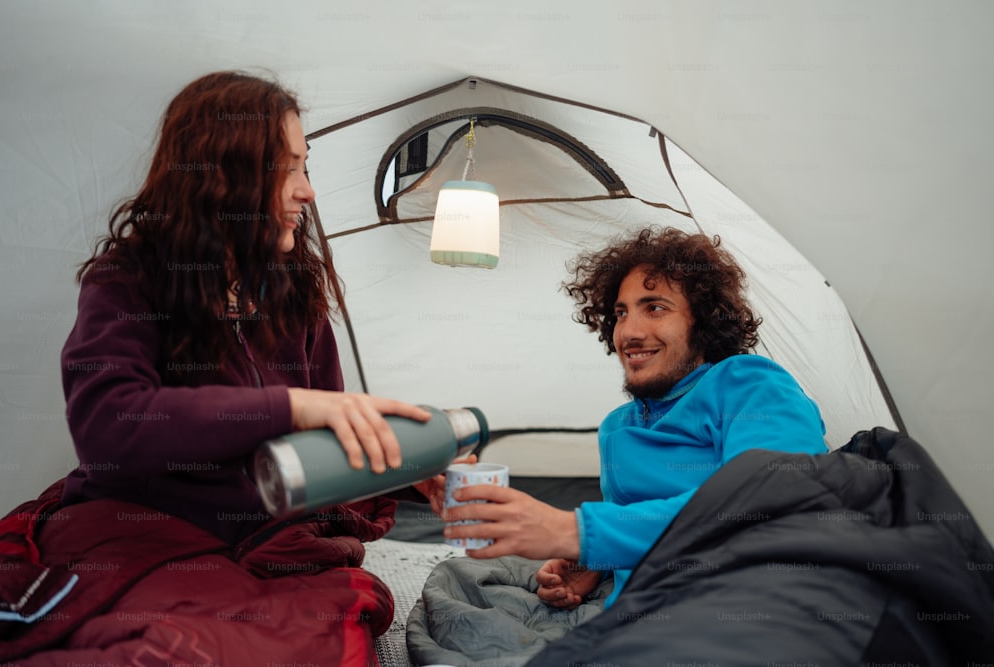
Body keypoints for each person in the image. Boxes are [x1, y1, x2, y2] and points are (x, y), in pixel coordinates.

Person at [60, 71, 440, 545]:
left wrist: (407, 473)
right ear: (222, 175)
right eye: (286, 167)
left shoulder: (295, 292)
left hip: (263, 538)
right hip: (147, 537)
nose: (307, 191)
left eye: (306, 167)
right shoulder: (127, 282)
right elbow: (109, 427)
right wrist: (290, 407)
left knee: (343, 606)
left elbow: (320, 448)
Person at [441, 226, 829, 610]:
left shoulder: (750, 385)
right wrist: (600, 562)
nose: (629, 332)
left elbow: (771, 502)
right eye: (621, 313)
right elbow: (642, 528)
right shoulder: (618, 426)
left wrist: (573, 531)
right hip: (640, 619)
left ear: (705, 321)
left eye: (655, 308)